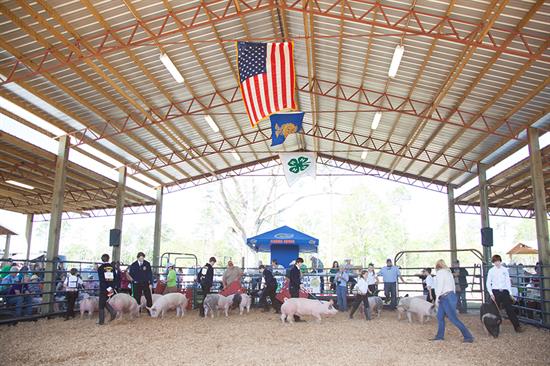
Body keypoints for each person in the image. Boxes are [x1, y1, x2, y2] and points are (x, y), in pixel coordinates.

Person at [430, 259, 473, 342]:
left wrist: (436, 298)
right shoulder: (448, 272)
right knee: (440, 317)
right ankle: (439, 336)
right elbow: (453, 286)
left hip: (445, 297)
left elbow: (440, 286)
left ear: (437, 267)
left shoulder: (440, 273)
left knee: (453, 319)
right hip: (449, 296)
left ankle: (468, 337)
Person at [486, 254, 524, 333]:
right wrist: (491, 294)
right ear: (493, 262)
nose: (497, 263)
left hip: (505, 291)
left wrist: (510, 293)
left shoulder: (505, 270)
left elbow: (507, 282)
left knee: (509, 309)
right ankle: (492, 327)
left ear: (500, 261)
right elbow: (488, 283)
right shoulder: (491, 271)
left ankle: (517, 326)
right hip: (495, 291)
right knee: (493, 310)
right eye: (495, 261)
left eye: (498, 261)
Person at [97, 254, 117, 325]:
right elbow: (115, 278)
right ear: (108, 259)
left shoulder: (100, 268)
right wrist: (112, 288)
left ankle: (101, 321)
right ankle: (113, 312)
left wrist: (107, 288)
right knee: (104, 302)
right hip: (111, 288)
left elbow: (101, 280)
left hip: (104, 288)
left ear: (102, 259)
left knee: (101, 305)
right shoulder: (112, 267)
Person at [289, 257, 305, 322]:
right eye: (301, 263)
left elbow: (296, 279)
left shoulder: (297, 269)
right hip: (293, 288)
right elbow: (294, 279)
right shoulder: (294, 269)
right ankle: (295, 318)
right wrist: (300, 284)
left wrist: (300, 284)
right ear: (298, 262)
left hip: (294, 288)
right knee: (295, 304)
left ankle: (295, 317)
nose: (301, 264)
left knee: (294, 303)